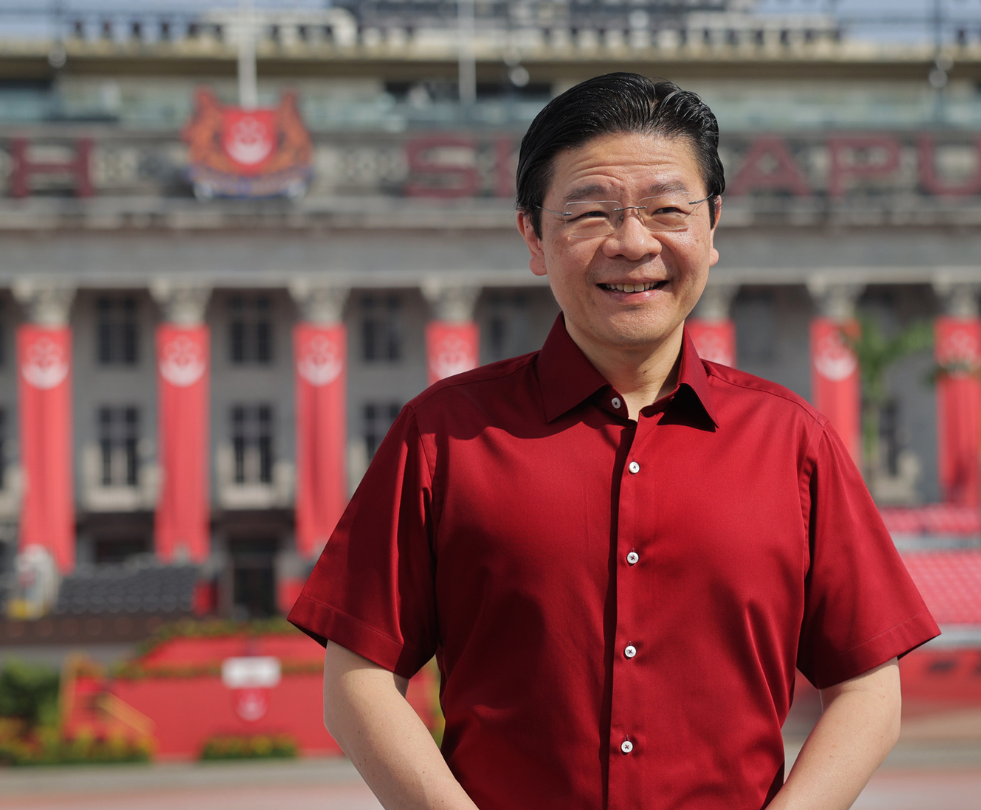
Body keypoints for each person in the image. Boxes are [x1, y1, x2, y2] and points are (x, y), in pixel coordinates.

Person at [288, 72, 939, 810]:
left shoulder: (792, 441)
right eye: (591, 213)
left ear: (713, 226)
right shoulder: (443, 436)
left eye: (667, 209)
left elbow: (866, 687)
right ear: (533, 236)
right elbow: (357, 678)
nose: (633, 243)